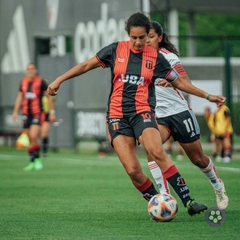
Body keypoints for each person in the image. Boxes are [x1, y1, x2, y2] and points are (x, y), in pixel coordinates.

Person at [47, 12, 225, 215]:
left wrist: (207, 96)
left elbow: (179, 82)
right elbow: (87, 65)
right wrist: (59, 79)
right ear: (128, 35)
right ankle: (158, 202)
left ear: (148, 34)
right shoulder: (115, 49)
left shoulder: (156, 57)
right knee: (133, 170)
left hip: (143, 113)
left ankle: (188, 201)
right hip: (117, 116)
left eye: (142, 37)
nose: (139, 42)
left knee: (157, 152)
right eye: (134, 37)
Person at [145, 21, 228, 210]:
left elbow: (184, 80)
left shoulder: (168, 57)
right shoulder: (138, 60)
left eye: (151, 36)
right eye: (144, 37)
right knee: (153, 149)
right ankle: (164, 198)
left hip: (179, 113)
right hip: (156, 115)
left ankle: (217, 185)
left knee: (198, 158)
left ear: (159, 38)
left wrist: (173, 81)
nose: (146, 40)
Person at [12, 63, 56, 170]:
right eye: (28, 69)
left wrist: (52, 111)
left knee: (34, 134)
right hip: (26, 113)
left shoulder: (41, 82)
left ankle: (38, 160)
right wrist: (15, 111)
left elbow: (49, 97)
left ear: (36, 70)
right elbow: (20, 97)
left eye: (32, 69)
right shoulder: (23, 82)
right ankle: (33, 160)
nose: (30, 71)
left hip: (37, 113)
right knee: (29, 137)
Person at [41, 79, 56, 157]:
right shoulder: (38, 93)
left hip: (46, 114)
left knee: (44, 133)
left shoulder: (48, 94)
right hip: (38, 114)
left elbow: (52, 103)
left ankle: (44, 152)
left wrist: (52, 113)